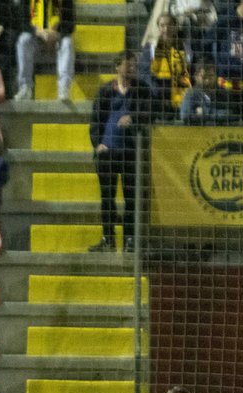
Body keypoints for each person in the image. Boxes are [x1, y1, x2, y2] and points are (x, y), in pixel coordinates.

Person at [90, 52, 151, 254]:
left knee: (131, 199)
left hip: (130, 153)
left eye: (134, 65)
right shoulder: (106, 90)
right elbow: (96, 120)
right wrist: (97, 144)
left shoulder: (142, 89)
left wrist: (133, 117)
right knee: (107, 198)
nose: (132, 69)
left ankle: (130, 239)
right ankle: (108, 239)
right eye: (128, 65)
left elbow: (153, 111)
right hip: (107, 153)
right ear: (117, 66)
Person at [16, 0, 77, 103]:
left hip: (56, 41)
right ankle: (25, 87)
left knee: (68, 42)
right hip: (36, 41)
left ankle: (63, 88)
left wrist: (56, 34)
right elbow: (21, 22)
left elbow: (70, 25)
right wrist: (38, 32)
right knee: (23, 39)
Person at [180, 60, 232, 124]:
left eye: (211, 76)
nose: (207, 80)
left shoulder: (224, 93)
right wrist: (216, 114)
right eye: (204, 76)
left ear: (217, 77)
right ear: (196, 77)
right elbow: (185, 115)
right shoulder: (191, 93)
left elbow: (231, 114)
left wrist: (203, 112)